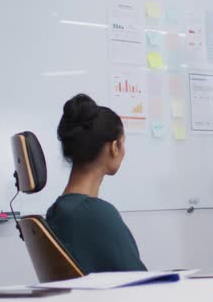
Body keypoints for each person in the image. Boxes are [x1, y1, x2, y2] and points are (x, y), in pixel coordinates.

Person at [46, 93, 147, 273]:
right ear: (114, 148)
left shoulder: (56, 212)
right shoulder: (98, 214)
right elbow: (139, 279)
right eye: (123, 144)